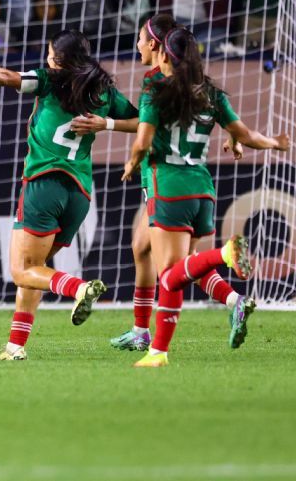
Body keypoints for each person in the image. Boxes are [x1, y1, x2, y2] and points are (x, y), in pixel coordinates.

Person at [0, 30, 135, 360]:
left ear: (59, 60)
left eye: (50, 51)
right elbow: (144, 122)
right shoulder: (103, 90)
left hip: (44, 185)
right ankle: (15, 347)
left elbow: (7, 76)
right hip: (79, 194)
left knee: (21, 270)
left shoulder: (51, 80)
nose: (46, 55)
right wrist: (107, 124)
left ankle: (78, 287)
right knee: (36, 269)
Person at [69, 15, 250, 352]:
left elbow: (144, 125)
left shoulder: (157, 79)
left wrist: (105, 124)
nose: (137, 45)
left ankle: (228, 300)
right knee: (142, 249)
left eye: (140, 38)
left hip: (165, 179)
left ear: (156, 45)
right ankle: (142, 329)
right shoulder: (171, 78)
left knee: (178, 267)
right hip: (173, 178)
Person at [121, 27, 289, 367]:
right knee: (186, 270)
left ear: (164, 55)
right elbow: (243, 135)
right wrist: (273, 143)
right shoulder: (211, 93)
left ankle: (159, 351)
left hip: (168, 188)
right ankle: (233, 302)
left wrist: (132, 163)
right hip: (203, 192)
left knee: (169, 275)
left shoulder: (156, 91)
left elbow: (142, 142)